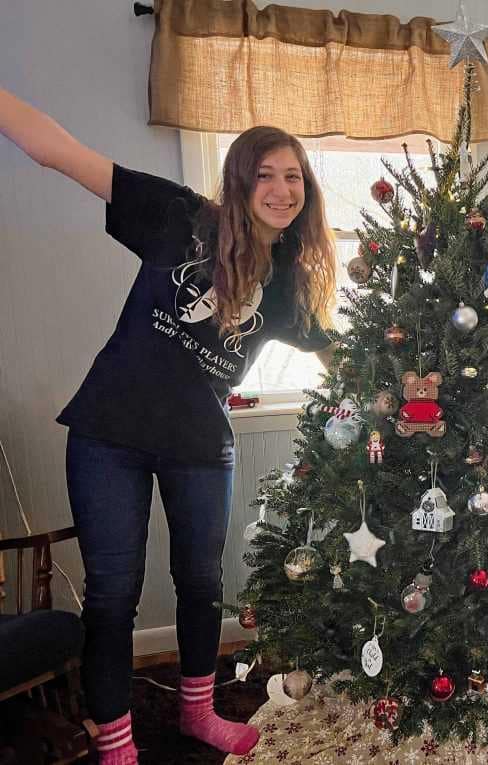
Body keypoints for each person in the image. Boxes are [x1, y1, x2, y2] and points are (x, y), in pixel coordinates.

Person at [0, 86, 340, 763]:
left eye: (293, 175)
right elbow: (57, 151)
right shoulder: (181, 218)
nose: (280, 188)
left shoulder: (289, 285)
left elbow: (344, 351)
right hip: (109, 433)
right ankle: (118, 743)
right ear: (240, 181)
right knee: (113, 593)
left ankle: (197, 712)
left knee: (203, 584)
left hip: (199, 444)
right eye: (265, 173)